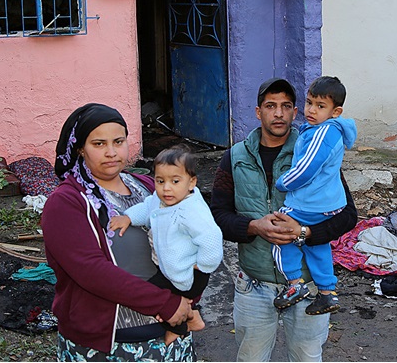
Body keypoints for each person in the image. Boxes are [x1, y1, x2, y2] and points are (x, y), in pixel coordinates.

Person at [210, 77, 358, 362]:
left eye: (286, 106)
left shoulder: (313, 150)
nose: (278, 113)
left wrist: (304, 232)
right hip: (254, 285)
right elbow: (218, 215)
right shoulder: (235, 157)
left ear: (295, 111)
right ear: (258, 112)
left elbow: (347, 215)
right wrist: (253, 227)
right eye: (270, 106)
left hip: (308, 285)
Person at [42, 103, 194, 361]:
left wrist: (188, 301)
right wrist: (165, 304)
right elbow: (91, 271)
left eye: (118, 141)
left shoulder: (148, 186)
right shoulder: (66, 202)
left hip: (171, 334)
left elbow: (189, 238)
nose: (111, 152)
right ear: (80, 148)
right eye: (99, 144)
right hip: (108, 344)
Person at [109, 144, 224, 346]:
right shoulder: (160, 198)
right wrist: (128, 217)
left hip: (191, 273)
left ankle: (179, 327)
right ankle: (194, 316)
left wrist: (203, 264)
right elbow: (147, 208)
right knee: (162, 295)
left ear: (192, 182)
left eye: (175, 181)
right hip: (172, 268)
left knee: (154, 296)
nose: (166, 188)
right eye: (160, 181)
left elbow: (211, 237)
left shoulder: (190, 211)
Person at [271, 76, 356, 315]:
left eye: (320, 106)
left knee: (279, 232)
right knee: (317, 244)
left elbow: (306, 169)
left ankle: (294, 284)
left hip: (309, 202)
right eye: (309, 103)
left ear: (335, 112)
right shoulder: (325, 130)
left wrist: (282, 183)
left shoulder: (324, 132)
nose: (311, 110)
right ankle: (327, 293)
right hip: (325, 203)